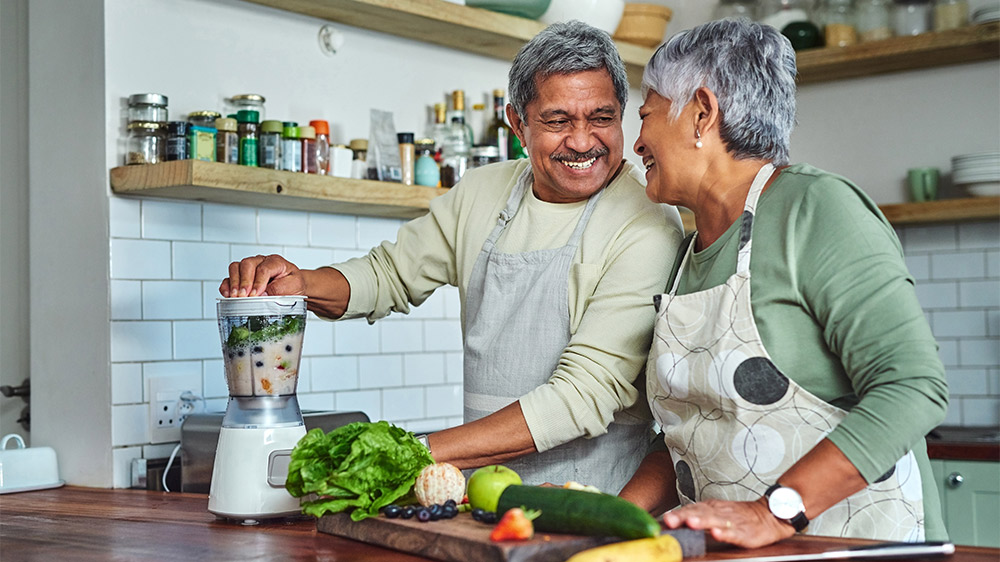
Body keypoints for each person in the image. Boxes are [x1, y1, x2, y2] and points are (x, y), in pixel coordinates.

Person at [221, 21, 685, 494]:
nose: (583, 141)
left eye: (602, 118)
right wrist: (301, 283)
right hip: (478, 499)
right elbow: (390, 275)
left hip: (595, 505)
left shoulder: (646, 222)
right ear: (517, 125)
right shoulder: (484, 192)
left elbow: (582, 394)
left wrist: (411, 453)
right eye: (558, 121)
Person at [617, 18, 949, 548]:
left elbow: (913, 387)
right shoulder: (685, 257)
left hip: (851, 546)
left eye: (647, 116)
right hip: (729, 552)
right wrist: (604, 517)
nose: (637, 142)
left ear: (702, 112)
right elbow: (691, 439)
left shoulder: (817, 208)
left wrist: (773, 513)